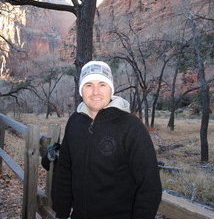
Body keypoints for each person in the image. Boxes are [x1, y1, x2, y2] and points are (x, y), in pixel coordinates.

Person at [54, 61, 162, 219]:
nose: (95, 92)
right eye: (89, 85)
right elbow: (65, 170)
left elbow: (150, 186)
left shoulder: (131, 126)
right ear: (81, 90)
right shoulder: (74, 122)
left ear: (111, 88)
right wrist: (61, 213)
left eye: (102, 84)